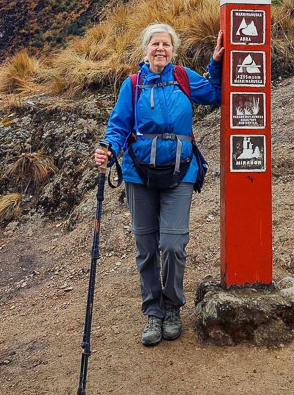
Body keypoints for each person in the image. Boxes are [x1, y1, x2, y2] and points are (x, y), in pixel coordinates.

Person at [94, 23, 223, 346]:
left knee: (173, 244)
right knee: (146, 246)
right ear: (146, 49)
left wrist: (217, 63)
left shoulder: (183, 77)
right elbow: (119, 126)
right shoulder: (133, 85)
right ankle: (154, 312)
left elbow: (215, 94)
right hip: (140, 174)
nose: (160, 49)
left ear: (173, 50)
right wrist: (109, 151)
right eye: (155, 44)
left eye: (165, 44)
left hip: (181, 172)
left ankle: (172, 306)